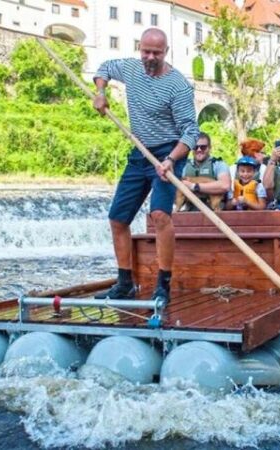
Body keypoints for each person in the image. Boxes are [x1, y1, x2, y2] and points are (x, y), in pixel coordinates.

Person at [92, 28, 199, 306]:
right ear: (140, 49)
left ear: (166, 52)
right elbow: (103, 68)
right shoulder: (131, 68)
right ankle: (124, 283)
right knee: (117, 219)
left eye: (156, 53)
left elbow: (190, 132)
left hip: (169, 151)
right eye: (146, 52)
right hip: (140, 152)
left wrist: (171, 160)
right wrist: (100, 92)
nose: (150, 57)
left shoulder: (178, 86)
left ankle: (163, 285)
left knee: (160, 215)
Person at [175, 132, 231, 211]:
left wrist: (194, 186)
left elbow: (225, 186)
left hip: (214, 210)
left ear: (209, 148)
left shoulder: (218, 164)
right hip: (190, 210)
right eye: (195, 147)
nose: (199, 150)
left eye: (203, 147)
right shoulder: (184, 166)